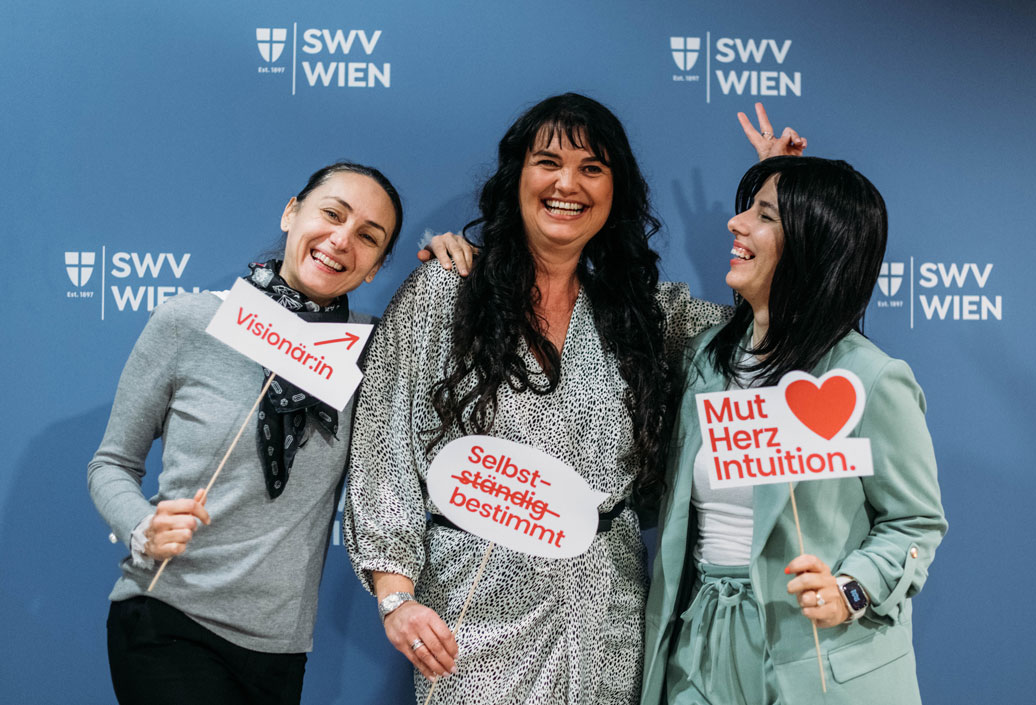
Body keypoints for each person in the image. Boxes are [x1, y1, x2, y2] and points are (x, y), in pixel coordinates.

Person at [341, 94, 802, 705]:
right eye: (548, 162)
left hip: (607, 618)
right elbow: (384, 446)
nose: (568, 184)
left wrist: (782, 201)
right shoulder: (446, 291)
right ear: (517, 178)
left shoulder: (646, 315)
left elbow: (760, 333)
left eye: (592, 168)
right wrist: (396, 597)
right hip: (473, 615)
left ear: (616, 191)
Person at [88, 161, 472, 705]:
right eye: (332, 214)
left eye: (368, 236)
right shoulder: (190, 320)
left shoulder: (373, 352)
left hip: (279, 650)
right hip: (168, 616)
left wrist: (458, 263)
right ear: (292, 212)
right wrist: (141, 526)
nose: (342, 240)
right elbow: (110, 464)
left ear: (376, 267)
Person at [641, 157, 947, 704]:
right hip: (700, 648)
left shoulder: (870, 378)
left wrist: (851, 590)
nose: (735, 223)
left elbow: (915, 522)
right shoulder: (704, 359)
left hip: (816, 659)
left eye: (764, 216)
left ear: (813, 246)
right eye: (749, 209)